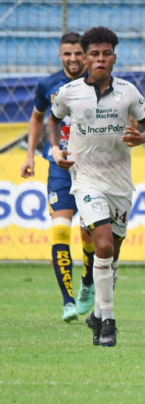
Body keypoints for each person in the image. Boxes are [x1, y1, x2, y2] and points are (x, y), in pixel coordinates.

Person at [47, 27, 145, 347]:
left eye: (105, 53)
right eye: (94, 54)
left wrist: (142, 137)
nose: (100, 59)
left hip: (120, 184)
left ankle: (97, 314)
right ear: (84, 58)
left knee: (112, 255)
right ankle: (109, 321)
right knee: (104, 245)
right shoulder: (69, 92)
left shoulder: (128, 92)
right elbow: (53, 120)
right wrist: (57, 151)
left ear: (114, 56)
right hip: (85, 181)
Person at [20, 32, 96, 323]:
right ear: (60, 55)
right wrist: (30, 155)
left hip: (91, 168)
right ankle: (67, 301)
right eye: (68, 54)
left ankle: (87, 282)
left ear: (85, 54)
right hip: (59, 167)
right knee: (60, 230)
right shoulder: (48, 85)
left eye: (78, 54)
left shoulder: (97, 82)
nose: (74, 59)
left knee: (88, 231)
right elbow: (38, 117)